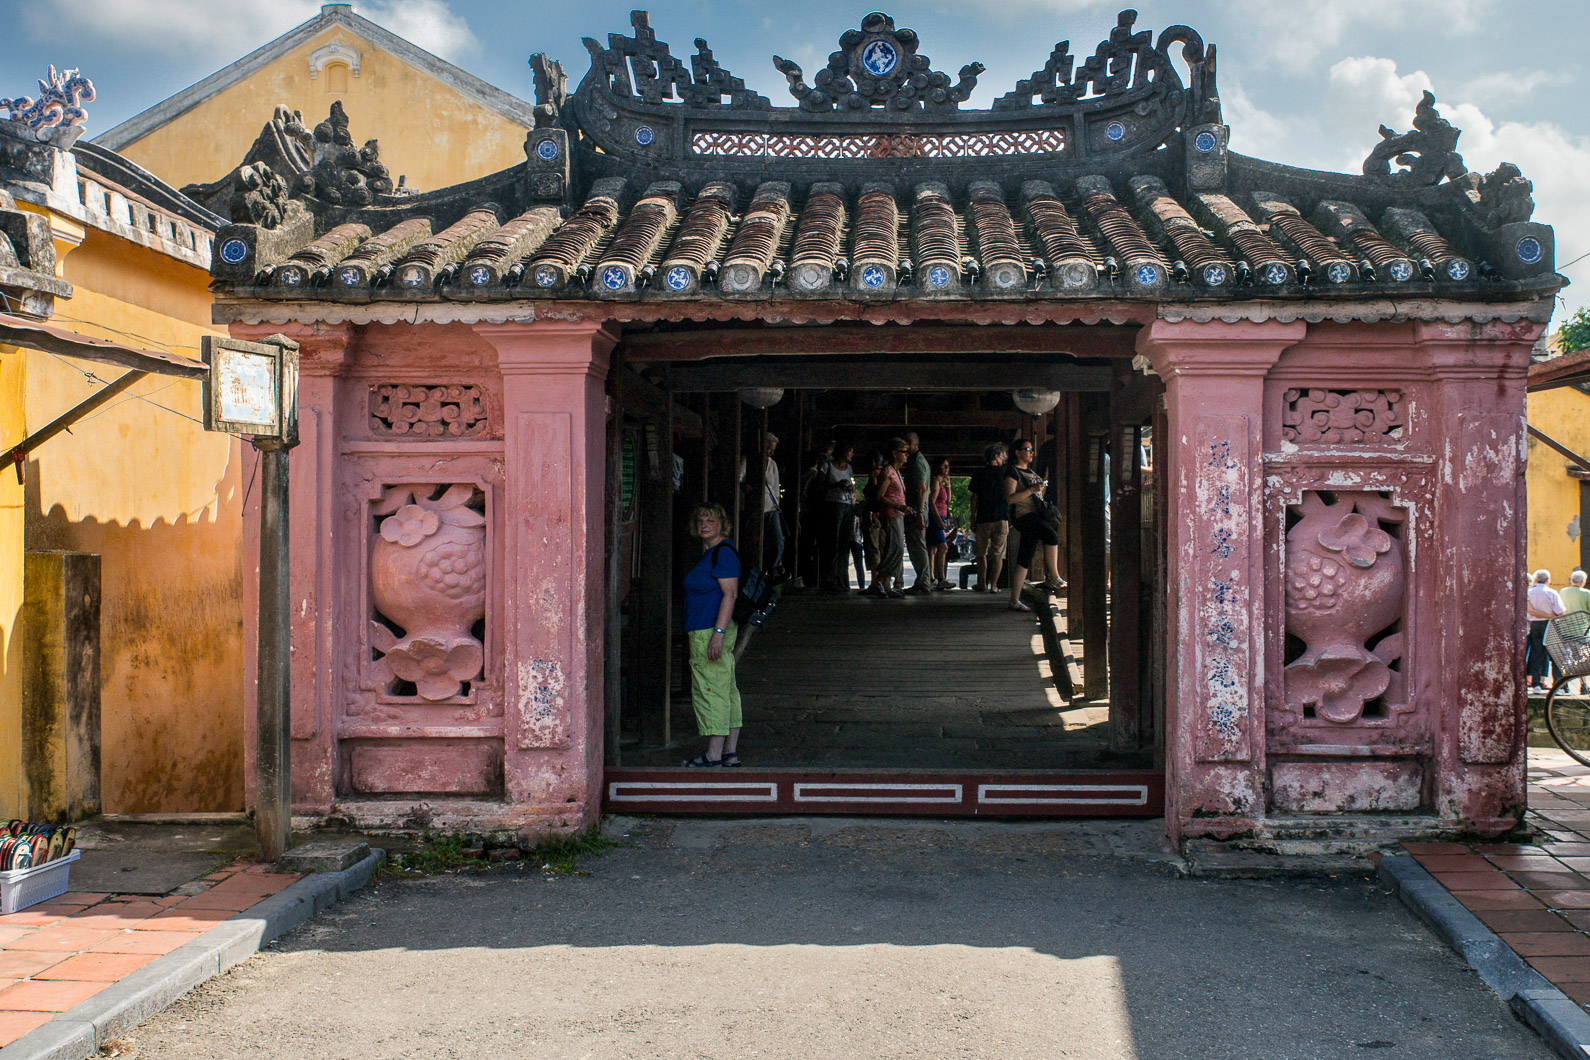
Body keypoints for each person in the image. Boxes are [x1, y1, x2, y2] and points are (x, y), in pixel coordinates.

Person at [681, 503, 743, 767]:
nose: (704, 525)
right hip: (709, 629)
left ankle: (713, 755)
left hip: (710, 630)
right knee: (726, 689)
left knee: (711, 690)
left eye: (710, 521)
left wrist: (718, 633)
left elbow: (731, 594)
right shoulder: (713, 553)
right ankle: (729, 752)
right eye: (700, 521)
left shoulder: (723, 553)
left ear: (722, 524)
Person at [1004, 437, 1065, 613]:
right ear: (1018, 453)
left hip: (1035, 515)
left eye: (1032, 450)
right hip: (1023, 515)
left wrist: (1041, 486)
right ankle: (1053, 577)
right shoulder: (1013, 472)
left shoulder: (1030, 471)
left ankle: (1014, 600)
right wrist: (1031, 489)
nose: (1032, 453)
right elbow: (1010, 498)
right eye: (1028, 449)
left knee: (1024, 559)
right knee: (1051, 535)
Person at [864, 438, 910, 598]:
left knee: (895, 550)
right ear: (894, 453)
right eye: (904, 452)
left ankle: (884, 583)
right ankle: (880, 581)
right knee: (894, 549)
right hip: (891, 515)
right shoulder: (888, 472)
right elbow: (879, 496)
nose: (907, 455)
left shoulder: (896, 472)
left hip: (898, 515)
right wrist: (899, 506)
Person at [739, 433, 783, 575]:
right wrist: (744, 486)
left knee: (778, 541)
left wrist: (777, 504)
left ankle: (771, 569)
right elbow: (738, 478)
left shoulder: (772, 464)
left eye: (773, 449)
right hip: (753, 508)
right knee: (754, 542)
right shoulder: (748, 460)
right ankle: (755, 573)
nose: (771, 452)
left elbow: (775, 487)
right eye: (769, 448)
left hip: (771, 508)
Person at [969, 442, 1009, 593]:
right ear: (997, 456)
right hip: (1001, 517)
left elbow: (974, 498)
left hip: (983, 518)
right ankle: (994, 586)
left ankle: (981, 583)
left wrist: (973, 518)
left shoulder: (979, 473)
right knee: (998, 554)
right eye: (1003, 455)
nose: (1004, 458)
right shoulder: (1006, 473)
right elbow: (1010, 497)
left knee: (981, 553)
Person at [823, 443, 858, 591]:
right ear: (843, 452)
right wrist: (837, 485)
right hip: (833, 505)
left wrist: (851, 488)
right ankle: (830, 579)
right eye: (850, 451)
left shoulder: (849, 469)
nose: (852, 455)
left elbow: (852, 485)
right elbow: (820, 486)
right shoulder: (827, 466)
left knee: (844, 544)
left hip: (847, 505)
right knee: (833, 542)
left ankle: (842, 579)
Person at [901, 431, 932, 593]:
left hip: (916, 511)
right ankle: (922, 581)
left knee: (918, 548)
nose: (906, 446)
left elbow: (922, 489)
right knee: (916, 547)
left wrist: (919, 512)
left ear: (916, 444)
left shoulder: (918, 462)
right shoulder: (915, 461)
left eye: (908, 443)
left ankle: (923, 582)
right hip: (916, 510)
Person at [1527, 568, 1566, 691]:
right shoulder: (1552, 593)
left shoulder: (1529, 593)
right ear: (1548, 580)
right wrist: (1550, 616)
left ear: (1535, 580)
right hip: (1551, 625)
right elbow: (1560, 612)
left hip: (1535, 625)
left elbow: (1529, 611)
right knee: (1555, 655)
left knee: (1536, 654)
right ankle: (1558, 686)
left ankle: (1536, 684)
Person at [927, 457, 954, 590]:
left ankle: (932, 578)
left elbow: (947, 500)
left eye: (948, 466)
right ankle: (941, 578)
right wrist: (938, 520)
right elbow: (931, 502)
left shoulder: (940, 482)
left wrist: (948, 485)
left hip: (940, 517)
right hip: (935, 517)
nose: (947, 469)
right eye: (944, 466)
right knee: (943, 547)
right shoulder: (935, 481)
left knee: (933, 548)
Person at [1563, 570, 1590, 694]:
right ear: (1582, 581)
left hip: (1564, 629)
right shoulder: (1586, 593)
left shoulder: (1563, 591)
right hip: (1581, 630)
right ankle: (1583, 685)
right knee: (1582, 659)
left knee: (1565, 657)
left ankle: (1563, 685)